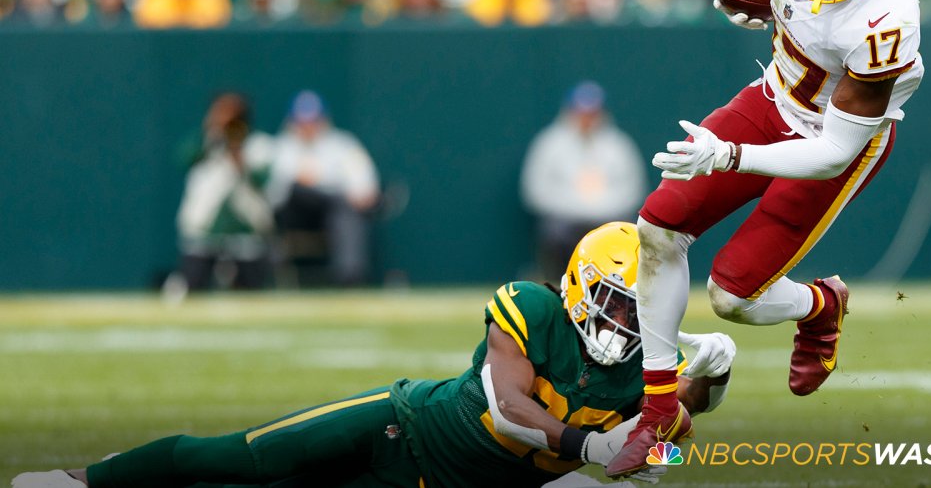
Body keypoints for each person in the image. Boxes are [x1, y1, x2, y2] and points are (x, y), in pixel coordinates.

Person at [607, 0, 924, 478]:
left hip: (839, 140)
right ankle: (659, 409)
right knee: (655, 228)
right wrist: (773, 14)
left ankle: (817, 306)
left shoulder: (888, 19)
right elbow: (792, 4)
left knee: (732, 298)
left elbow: (831, 150)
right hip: (773, 99)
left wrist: (727, 155)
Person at [13, 223, 735, 488]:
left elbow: (671, 451)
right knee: (240, 458)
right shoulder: (535, 305)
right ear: (579, 284)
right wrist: (592, 441)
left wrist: (708, 386)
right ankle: (82, 479)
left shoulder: (652, 376)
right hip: (402, 427)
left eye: (633, 306)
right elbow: (510, 408)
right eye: (610, 299)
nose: (620, 319)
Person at [520, 81, 647, 281]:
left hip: (608, 219)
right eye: (581, 112)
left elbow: (632, 190)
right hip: (565, 220)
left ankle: (622, 284)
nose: (586, 119)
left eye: (592, 113)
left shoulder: (618, 145)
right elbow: (535, 190)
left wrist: (601, 209)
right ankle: (556, 283)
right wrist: (575, 208)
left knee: (628, 232)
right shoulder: (550, 144)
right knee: (553, 233)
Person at [266, 90, 380, 286]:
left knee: (344, 209)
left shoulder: (343, 144)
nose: (308, 126)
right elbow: (277, 190)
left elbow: (364, 187)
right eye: (302, 121)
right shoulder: (280, 148)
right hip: (294, 214)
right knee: (326, 197)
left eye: (313, 120)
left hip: (335, 213)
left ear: (324, 120)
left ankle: (350, 279)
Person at [170, 93, 275, 293]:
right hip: (204, 230)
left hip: (246, 232)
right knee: (192, 285)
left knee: (250, 290)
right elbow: (183, 158)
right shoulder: (205, 142)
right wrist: (211, 134)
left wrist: (238, 152)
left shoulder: (259, 145)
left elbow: (263, 180)